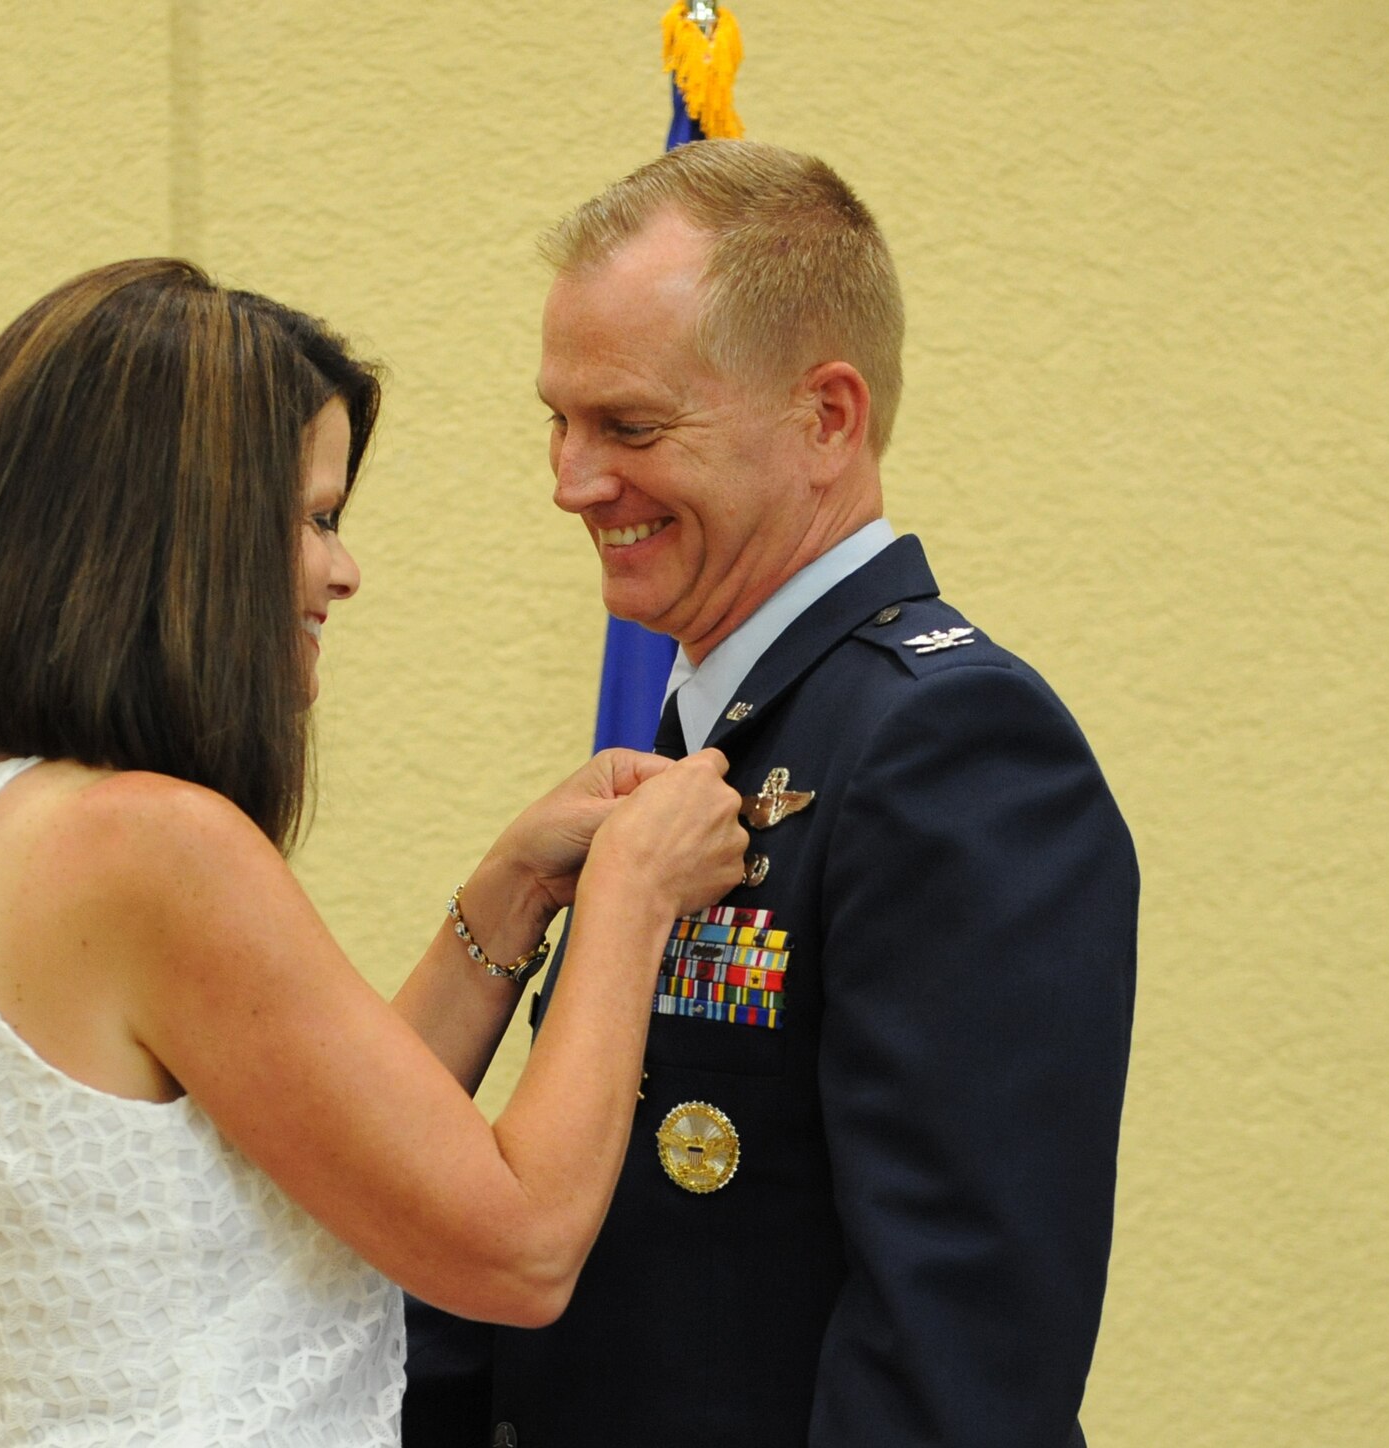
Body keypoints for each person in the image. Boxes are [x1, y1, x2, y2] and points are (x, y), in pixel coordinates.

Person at [0, 257, 748, 1447]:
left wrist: (518, 887)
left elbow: (326, 1154)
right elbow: (521, 1246)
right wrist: (631, 895)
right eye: (317, 518)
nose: (343, 570)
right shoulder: (151, 843)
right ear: (180, 534)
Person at [403, 142, 1139, 1447]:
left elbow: (954, 1352)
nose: (571, 482)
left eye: (629, 427)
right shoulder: (714, 736)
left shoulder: (953, 745)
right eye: (557, 422)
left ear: (827, 419)